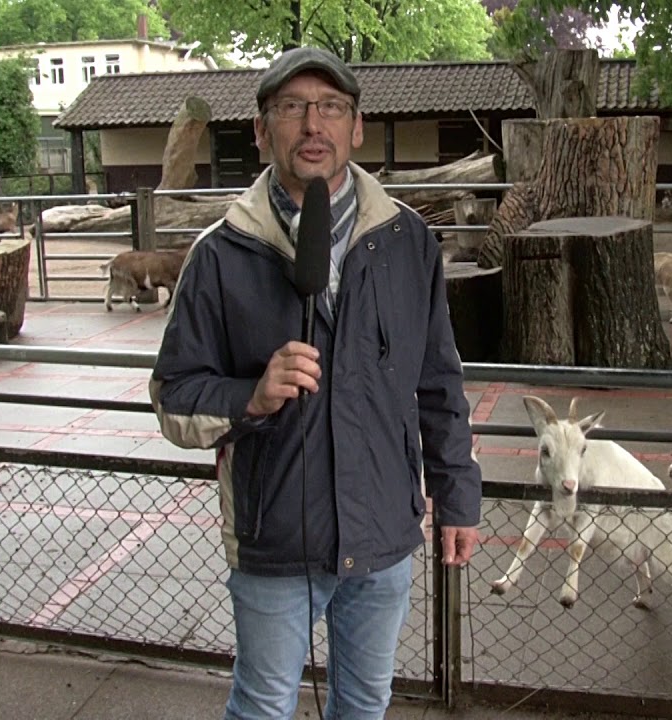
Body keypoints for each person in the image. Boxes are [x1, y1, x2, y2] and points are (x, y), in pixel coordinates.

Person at [148, 46, 483, 720]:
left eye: (330, 108)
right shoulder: (219, 253)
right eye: (293, 108)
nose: (313, 125)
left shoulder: (407, 239)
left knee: (364, 703)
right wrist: (251, 396)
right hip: (276, 539)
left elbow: (438, 380)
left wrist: (458, 493)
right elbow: (175, 398)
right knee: (264, 703)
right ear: (262, 128)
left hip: (384, 530)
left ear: (355, 128)